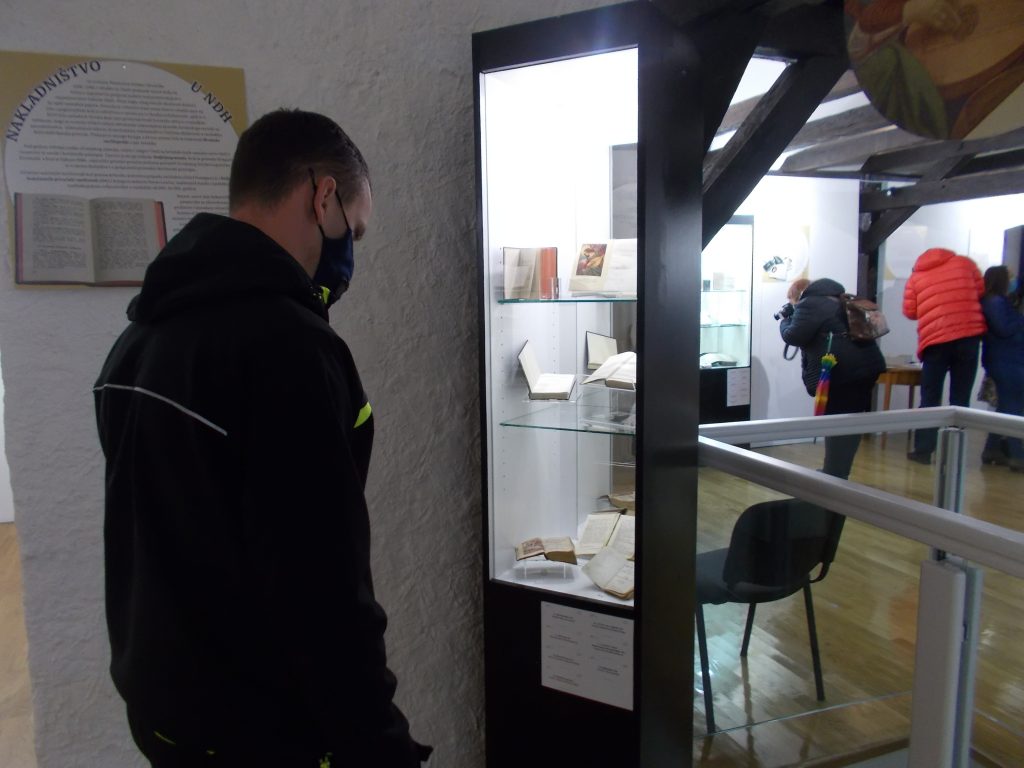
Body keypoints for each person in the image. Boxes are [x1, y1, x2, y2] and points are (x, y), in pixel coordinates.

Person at [93, 109, 431, 767]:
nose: (351, 250)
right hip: (262, 731)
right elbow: (321, 587)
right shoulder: (288, 348)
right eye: (355, 228)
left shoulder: (138, 338)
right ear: (323, 196)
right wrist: (381, 746)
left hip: (165, 717)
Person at [780, 278, 886, 479]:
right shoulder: (839, 299)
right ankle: (838, 470)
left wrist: (785, 321)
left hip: (843, 372)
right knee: (851, 421)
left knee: (836, 420)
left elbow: (793, 336)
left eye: (792, 300)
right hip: (866, 368)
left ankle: (834, 473)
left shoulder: (810, 303)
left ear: (797, 295)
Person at [902, 247, 986, 464]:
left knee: (930, 398)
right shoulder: (965, 263)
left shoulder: (916, 276)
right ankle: (954, 453)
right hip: (968, 337)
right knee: (960, 398)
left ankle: (923, 450)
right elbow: (980, 290)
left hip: (935, 341)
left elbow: (910, 311)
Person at [979, 265, 1024, 471]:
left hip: (1008, 359)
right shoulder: (994, 302)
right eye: (1009, 277)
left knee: (1007, 406)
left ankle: (992, 449)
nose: (1012, 281)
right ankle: (1017, 455)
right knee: (1012, 407)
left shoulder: (999, 302)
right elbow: (1004, 329)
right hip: (1005, 360)